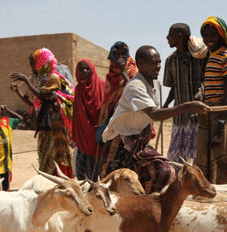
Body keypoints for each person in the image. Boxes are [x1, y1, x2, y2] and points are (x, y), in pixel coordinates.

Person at [102, 45, 210, 193]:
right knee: (114, 187)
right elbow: (154, 113)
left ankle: (145, 207)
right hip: (120, 141)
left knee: (161, 173)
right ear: (140, 64)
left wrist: (146, 132)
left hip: (137, 140)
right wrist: (188, 106)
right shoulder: (136, 86)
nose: (158, 66)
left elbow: (148, 115)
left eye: (159, 62)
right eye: (154, 63)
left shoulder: (155, 84)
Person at [196, 16, 227, 184]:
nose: (208, 39)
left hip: (221, 113)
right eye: (205, 35)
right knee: (207, 154)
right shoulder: (210, 56)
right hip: (208, 111)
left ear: (221, 36)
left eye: (213, 35)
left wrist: (221, 124)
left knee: (222, 155)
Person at [11, 48, 75, 177]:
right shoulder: (42, 79)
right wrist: (18, 92)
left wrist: (26, 80)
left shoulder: (53, 77)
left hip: (55, 125)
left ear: (42, 61)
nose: (31, 67)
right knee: (46, 157)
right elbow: (38, 103)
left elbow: (42, 96)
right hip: (46, 126)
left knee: (57, 156)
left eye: (33, 63)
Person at [163, 23, 205, 165]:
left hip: (198, 116)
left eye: (170, 34)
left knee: (196, 157)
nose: (167, 37)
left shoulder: (200, 57)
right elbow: (173, 87)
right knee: (175, 158)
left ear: (179, 36)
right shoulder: (170, 60)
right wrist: (166, 105)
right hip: (179, 116)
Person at [98, 42, 138, 178]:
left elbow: (135, 90)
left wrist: (123, 72)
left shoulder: (133, 70)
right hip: (114, 117)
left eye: (123, 54)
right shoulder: (110, 74)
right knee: (110, 155)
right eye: (117, 54)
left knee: (128, 154)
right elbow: (107, 98)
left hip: (129, 118)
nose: (120, 57)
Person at [72, 59, 105, 180]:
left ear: (92, 70)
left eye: (87, 68)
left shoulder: (102, 86)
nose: (84, 71)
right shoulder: (78, 89)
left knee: (97, 177)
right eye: (81, 69)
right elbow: (77, 117)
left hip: (98, 140)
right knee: (82, 176)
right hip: (82, 140)